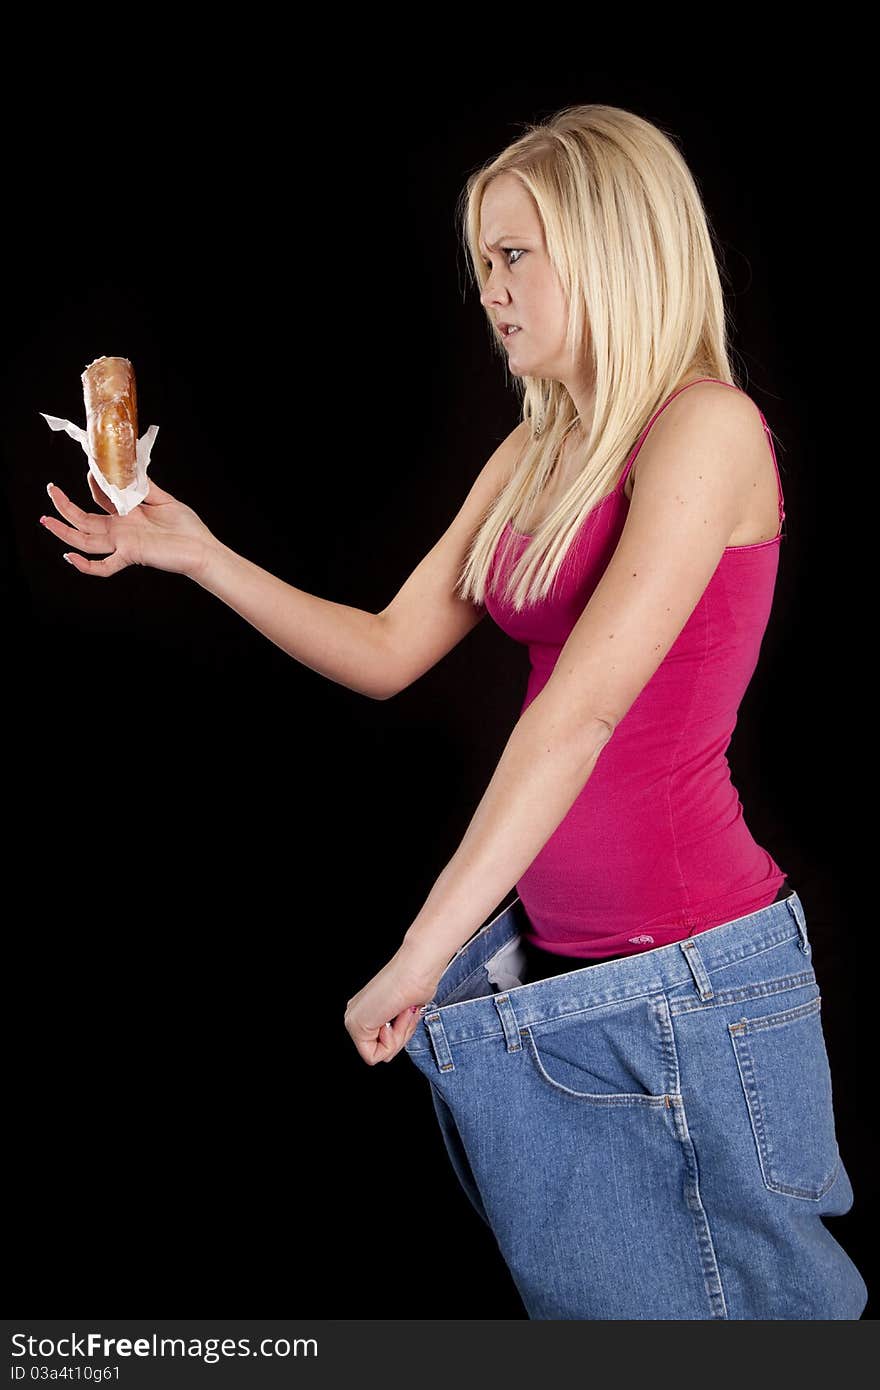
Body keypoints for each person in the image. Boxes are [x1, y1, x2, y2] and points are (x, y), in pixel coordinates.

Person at [40, 103, 867, 1321]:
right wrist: (200, 556)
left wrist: (423, 953)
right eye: (482, 261)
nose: (491, 289)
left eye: (515, 254)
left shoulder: (706, 429)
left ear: (610, 246)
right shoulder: (538, 452)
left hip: (695, 983)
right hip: (567, 974)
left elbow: (577, 718)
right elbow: (384, 651)